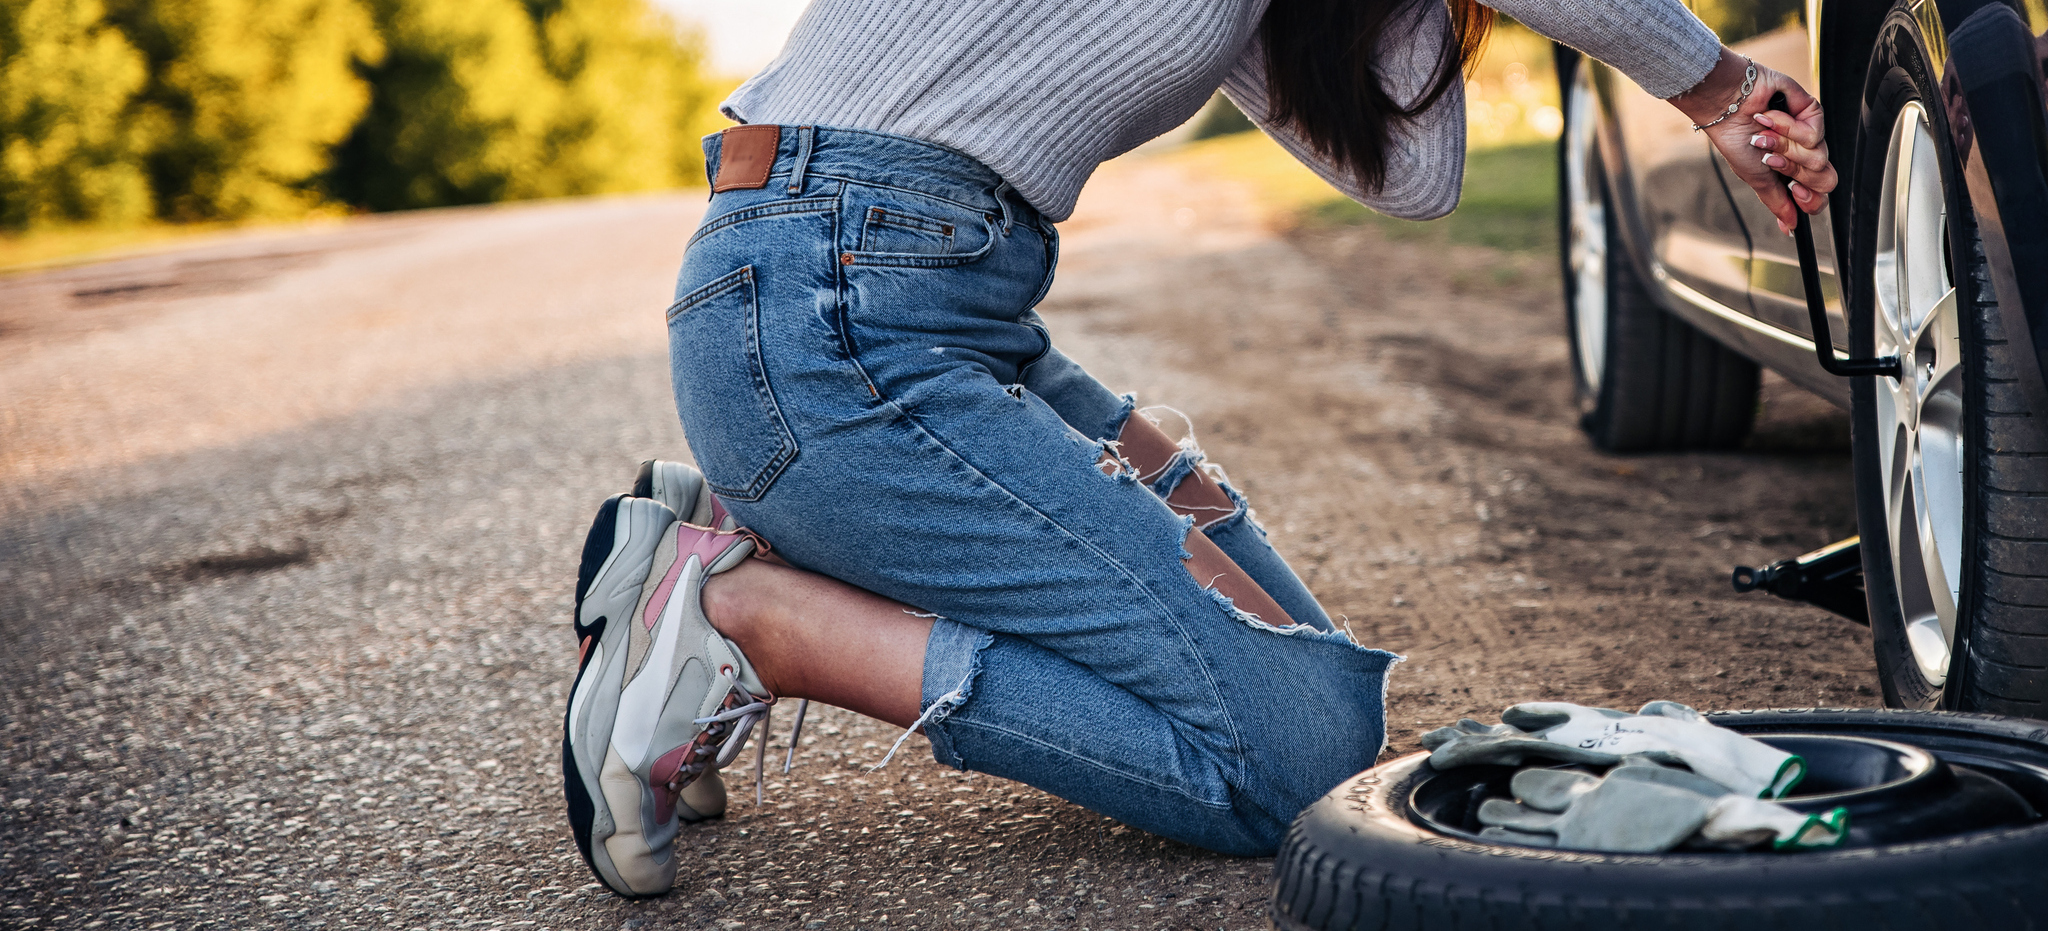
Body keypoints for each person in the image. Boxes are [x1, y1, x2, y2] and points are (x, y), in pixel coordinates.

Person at [559, 0, 1838, 898]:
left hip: (910, 297)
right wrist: (1720, 87)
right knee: (1287, 762)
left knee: (1321, 691)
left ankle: (738, 534)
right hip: (836, 312)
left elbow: (1413, 170)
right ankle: (747, 614)